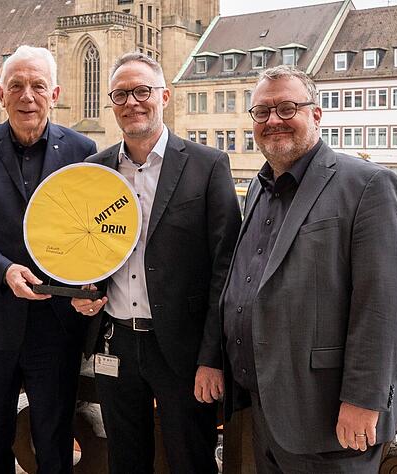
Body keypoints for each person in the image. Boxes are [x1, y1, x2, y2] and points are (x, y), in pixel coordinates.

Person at [221, 65, 397, 472]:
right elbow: (247, 280)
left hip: (330, 417)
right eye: (262, 112)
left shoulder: (368, 184)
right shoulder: (258, 186)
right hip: (267, 407)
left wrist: (364, 399)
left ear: (317, 114)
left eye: (287, 108)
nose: (273, 120)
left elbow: (385, 307)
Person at [70, 52, 241, 473]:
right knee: (125, 461)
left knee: (191, 458)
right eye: (121, 94)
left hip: (183, 349)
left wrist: (212, 357)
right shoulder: (96, 169)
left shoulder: (207, 165)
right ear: (111, 104)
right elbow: (86, 252)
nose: (132, 102)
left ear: (163, 96)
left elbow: (227, 268)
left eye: (142, 91)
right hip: (115, 341)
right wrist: (83, 292)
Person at [0, 45, 97, 474]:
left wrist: (90, 288)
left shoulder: (83, 150)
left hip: (57, 325)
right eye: (17, 86)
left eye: (38, 86)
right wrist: (4, 269)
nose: (27, 95)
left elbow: (95, 235)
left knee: (54, 441)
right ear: (1, 93)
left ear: (55, 93)